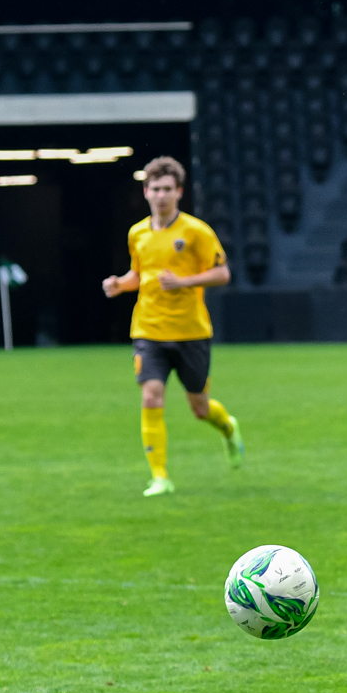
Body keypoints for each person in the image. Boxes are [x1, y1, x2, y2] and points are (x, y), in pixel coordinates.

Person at [102, 155, 242, 497]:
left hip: (191, 331)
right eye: (155, 189)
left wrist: (184, 282)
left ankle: (227, 427)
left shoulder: (196, 231)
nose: (161, 195)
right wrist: (120, 284)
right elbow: (141, 274)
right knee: (151, 396)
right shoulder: (137, 233)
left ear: (179, 191)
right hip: (148, 329)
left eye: (167, 189)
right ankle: (160, 477)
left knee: (200, 407)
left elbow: (222, 273)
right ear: (145, 192)